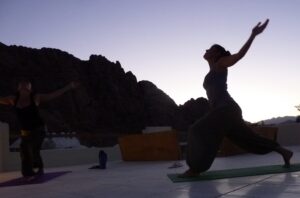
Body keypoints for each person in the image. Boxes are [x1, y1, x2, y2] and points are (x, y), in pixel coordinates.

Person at [181, 19, 293, 177]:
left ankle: (195, 169)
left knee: (196, 130)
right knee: (249, 140)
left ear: (217, 54)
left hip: (226, 109)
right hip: (226, 111)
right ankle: (284, 152)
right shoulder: (212, 69)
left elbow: (239, 56)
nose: (206, 50)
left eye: (210, 49)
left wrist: (253, 35)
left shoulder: (221, 63)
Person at [0, 79, 79, 178]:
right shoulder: (13, 99)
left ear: (30, 90)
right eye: (22, 88)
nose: (24, 90)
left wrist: (69, 86)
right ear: (18, 89)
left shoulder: (36, 98)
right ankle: (28, 173)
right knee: (24, 151)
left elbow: (53, 95)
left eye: (26, 88)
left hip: (38, 129)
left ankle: (38, 169)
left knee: (33, 148)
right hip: (25, 131)